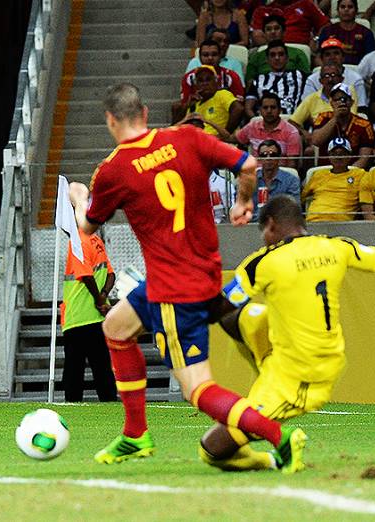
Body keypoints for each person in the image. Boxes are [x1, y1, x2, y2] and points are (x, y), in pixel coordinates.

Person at [69, 83, 306, 470]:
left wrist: (79, 197)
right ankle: (135, 434)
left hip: (173, 289)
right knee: (115, 327)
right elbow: (248, 165)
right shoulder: (187, 138)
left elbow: (89, 226)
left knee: (198, 388)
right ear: (145, 113)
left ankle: (280, 438)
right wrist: (244, 203)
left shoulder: (114, 169)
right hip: (201, 272)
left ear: (111, 121)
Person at [198, 196, 375, 472]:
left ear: (270, 225)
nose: (263, 240)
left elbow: (214, 310)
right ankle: (263, 375)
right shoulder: (336, 247)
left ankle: (278, 453)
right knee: (241, 318)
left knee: (212, 450)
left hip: (301, 376)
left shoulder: (264, 263)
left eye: (263, 233)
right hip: (313, 355)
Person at [60, 229, 118, 403]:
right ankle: (109, 408)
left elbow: (85, 275)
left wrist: (99, 299)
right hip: (97, 318)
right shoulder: (97, 241)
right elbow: (110, 274)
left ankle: (73, 408)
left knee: (73, 371)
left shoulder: (77, 241)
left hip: (77, 316)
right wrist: (104, 295)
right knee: (102, 370)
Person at [175, 39, 246, 124]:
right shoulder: (189, 78)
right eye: (205, 55)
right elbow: (184, 106)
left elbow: (239, 106)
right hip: (197, 121)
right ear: (199, 58)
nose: (210, 58)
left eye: (214, 54)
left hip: (223, 120)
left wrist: (226, 132)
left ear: (220, 56)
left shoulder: (230, 76)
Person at [310, 83, 375, 168]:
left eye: (345, 99)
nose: (341, 102)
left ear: (351, 102)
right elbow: (316, 141)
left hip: (353, 172)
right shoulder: (323, 118)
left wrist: (348, 174)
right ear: (331, 103)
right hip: (326, 171)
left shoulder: (364, 125)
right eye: (337, 100)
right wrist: (335, 118)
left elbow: (364, 158)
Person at [302, 137, 369, 221]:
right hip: (314, 221)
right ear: (329, 156)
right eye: (334, 153)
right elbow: (301, 198)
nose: (338, 157)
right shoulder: (318, 174)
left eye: (343, 153)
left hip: (342, 224)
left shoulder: (360, 174)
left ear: (350, 156)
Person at [301, 38, 369, 110]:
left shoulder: (355, 78)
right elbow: (306, 108)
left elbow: (361, 108)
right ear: (321, 59)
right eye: (327, 54)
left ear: (343, 57)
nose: (332, 57)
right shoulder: (312, 80)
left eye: (336, 53)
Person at [244, 40, 308, 117]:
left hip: (292, 120)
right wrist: (257, 121)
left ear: (287, 58)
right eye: (273, 55)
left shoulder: (300, 76)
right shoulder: (258, 80)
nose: (277, 58)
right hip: (265, 123)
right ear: (267, 60)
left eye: (281, 54)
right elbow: (248, 108)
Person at [237, 92, 302, 166]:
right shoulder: (252, 127)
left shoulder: (292, 132)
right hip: (255, 174)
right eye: (265, 108)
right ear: (260, 110)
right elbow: (231, 139)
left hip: (280, 174)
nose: (269, 111)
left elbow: (292, 166)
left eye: (273, 107)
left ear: (280, 110)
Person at [245, 15, 312, 85]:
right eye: (268, 29)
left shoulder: (298, 53)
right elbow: (249, 82)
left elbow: (306, 79)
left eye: (276, 28)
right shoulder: (256, 57)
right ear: (264, 34)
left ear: (283, 31)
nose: (273, 32)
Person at [184, 65, 245, 141]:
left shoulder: (221, 94)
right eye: (200, 81)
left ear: (216, 81)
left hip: (217, 143)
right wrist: (186, 106)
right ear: (196, 85)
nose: (204, 84)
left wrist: (225, 135)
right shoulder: (194, 104)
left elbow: (238, 109)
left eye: (208, 80)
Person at [316, 0, 375, 65]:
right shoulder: (327, 31)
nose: (346, 9)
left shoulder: (366, 33)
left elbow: (371, 58)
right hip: (332, 70)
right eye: (342, 7)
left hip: (358, 71)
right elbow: (318, 58)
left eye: (350, 7)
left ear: (356, 11)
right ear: (338, 11)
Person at [250, 0, 330, 45]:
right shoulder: (262, 10)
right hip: (271, 52)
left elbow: (326, 25)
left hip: (301, 49)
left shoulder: (306, 4)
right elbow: (257, 36)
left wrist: (316, 39)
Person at [252, 140, 302, 210]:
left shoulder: (291, 180)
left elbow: (295, 209)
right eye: (264, 155)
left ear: (279, 157)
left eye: (273, 155)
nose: (268, 158)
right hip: (254, 220)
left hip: (281, 220)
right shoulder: (250, 180)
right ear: (259, 158)